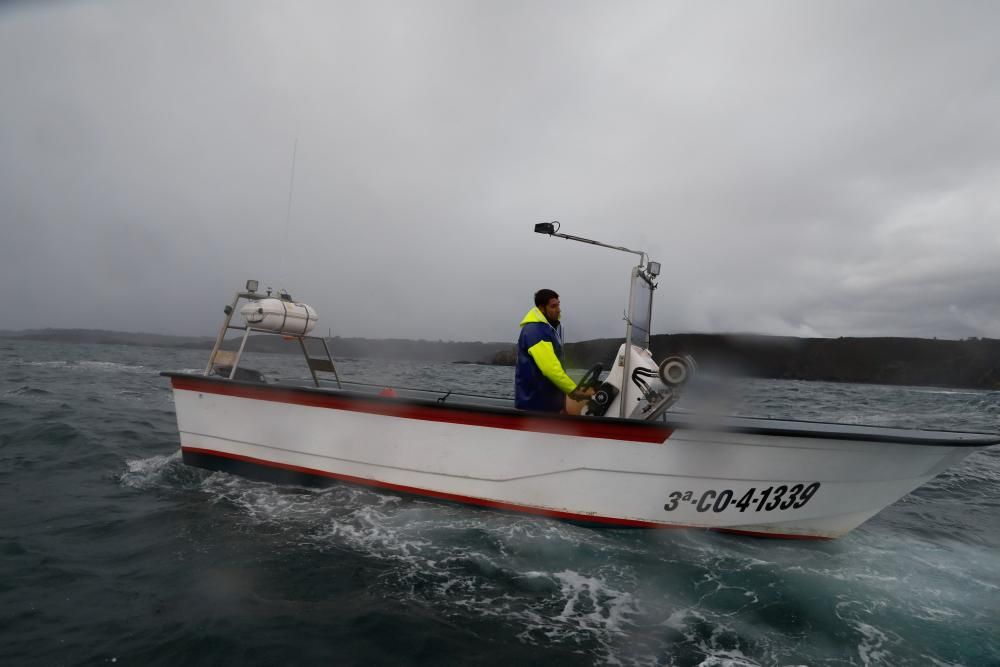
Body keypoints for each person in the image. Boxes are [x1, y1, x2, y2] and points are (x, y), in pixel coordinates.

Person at [515, 289, 591, 412]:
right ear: (541, 308)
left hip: (548, 405)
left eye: (558, 304)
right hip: (535, 408)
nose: (558, 309)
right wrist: (573, 390)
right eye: (553, 306)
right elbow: (550, 368)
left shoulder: (550, 329)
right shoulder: (535, 332)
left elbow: (558, 366)